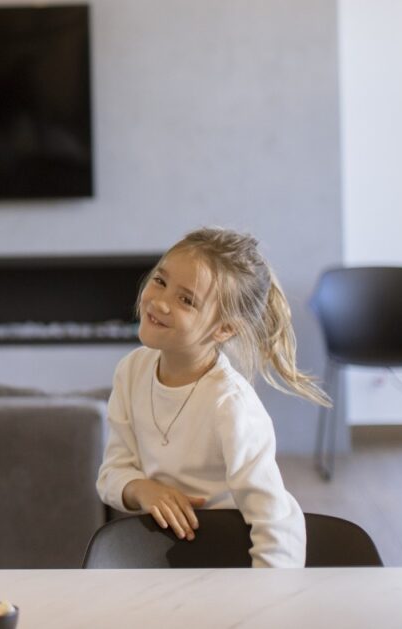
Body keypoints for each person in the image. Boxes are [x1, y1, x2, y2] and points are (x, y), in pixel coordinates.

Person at [95, 227, 327, 568]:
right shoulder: (131, 371)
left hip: (226, 561)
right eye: (160, 281)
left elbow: (277, 522)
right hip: (155, 556)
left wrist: (264, 605)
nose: (159, 301)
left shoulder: (231, 406)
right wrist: (144, 489)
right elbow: (111, 473)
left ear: (224, 329)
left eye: (186, 300)